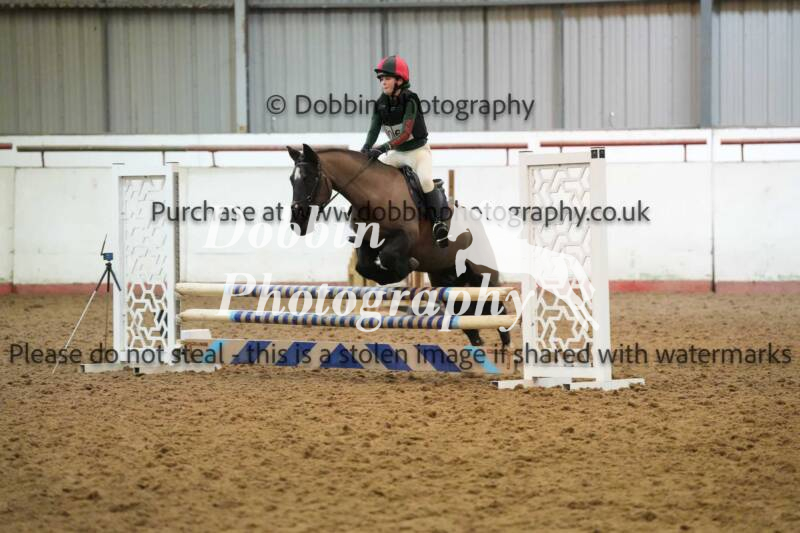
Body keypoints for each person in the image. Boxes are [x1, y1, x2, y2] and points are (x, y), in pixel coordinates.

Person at [361, 55, 449, 248]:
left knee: (425, 181)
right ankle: (371, 227)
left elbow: (406, 133)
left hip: (418, 153)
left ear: (400, 80)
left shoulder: (410, 100)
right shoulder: (380, 103)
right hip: (397, 154)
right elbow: (374, 130)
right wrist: (366, 147)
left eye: (387, 78)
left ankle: (438, 223)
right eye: (381, 79)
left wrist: (382, 148)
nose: (383, 82)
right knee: (372, 175)